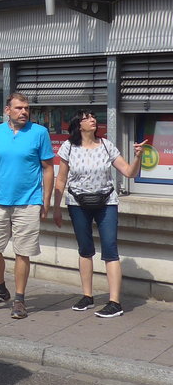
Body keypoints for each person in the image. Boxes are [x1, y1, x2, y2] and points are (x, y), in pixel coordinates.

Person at [51, 111, 145, 319]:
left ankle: (115, 302)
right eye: (87, 118)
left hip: (106, 202)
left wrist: (138, 156)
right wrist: (56, 208)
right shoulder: (68, 147)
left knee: (110, 249)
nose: (93, 120)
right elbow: (61, 179)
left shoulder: (106, 145)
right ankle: (87, 296)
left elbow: (129, 172)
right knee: (85, 249)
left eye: (93, 117)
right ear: (78, 125)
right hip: (77, 203)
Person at [0, 92, 54, 320]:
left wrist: (46, 200)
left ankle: (19, 299)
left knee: (23, 252)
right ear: (7, 110)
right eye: (19, 108)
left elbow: (48, 168)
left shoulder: (40, 133)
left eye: (26, 108)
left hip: (28, 202)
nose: (24, 112)